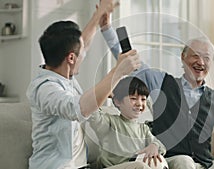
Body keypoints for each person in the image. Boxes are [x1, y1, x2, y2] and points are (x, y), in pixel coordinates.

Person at [101, 25, 214, 168]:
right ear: (183, 57)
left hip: (206, 165)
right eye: (195, 55)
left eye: (206, 58)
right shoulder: (161, 83)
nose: (201, 62)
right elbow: (129, 60)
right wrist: (107, 29)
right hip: (174, 161)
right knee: (184, 162)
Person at [26, 1, 142, 169]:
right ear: (71, 58)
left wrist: (98, 16)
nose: (85, 52)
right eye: (80, 54)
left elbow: (82, 43)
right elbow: (79, 109)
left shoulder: (63, 74)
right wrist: (118, 72)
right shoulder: (45, 89)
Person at [87, 76, 167, 169]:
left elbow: (161, 147)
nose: (139, 103)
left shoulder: (143, 129)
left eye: (143, 99)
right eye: (133, 98)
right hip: (114, 167)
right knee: (140, 166)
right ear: (117, 101)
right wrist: (104, 94)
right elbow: (92, 113)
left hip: (138, 164)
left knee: (182, 160)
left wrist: (154, 145)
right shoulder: (110, 123)